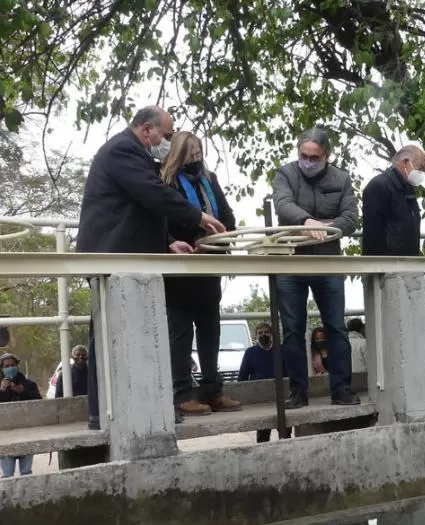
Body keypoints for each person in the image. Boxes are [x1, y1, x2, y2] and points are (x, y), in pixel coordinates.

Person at [77, 106, 226, 429]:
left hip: (130, 258)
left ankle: (143, 408)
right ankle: (101, 415)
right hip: (111, 258)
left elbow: (141, 210)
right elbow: (152, 194)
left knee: (141, 336)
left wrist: (166, 243)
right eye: (167, 134)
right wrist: (198, 216)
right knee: (106, 338)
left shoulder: (134, 153)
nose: (168, 141)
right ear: (147, 130)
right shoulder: (121, 150)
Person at [272, 127, 359, 409]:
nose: (308, 162)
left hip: (327, 261)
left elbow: (351, 217)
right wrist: (307, 222)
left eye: (314, 157)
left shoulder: (342, 179)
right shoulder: (285, 173)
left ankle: (342, 388)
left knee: (336, 327)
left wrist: (328, 229)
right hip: (291, 261)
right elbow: (282, 203)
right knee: (293, 330)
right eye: (303, 156)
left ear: (327, 156)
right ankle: (298, 392)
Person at [161, 131, 241, 416]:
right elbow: (163, 221)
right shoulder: (166, 181)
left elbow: (227, 218)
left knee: (210, 330)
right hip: (181, 267)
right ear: (178, 155)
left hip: (210, 264)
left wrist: (221, 238)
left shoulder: (211, 179)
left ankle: (212, 390)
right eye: (190, 154)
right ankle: (182, 393)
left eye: (199, 153)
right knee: (180, 333)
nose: (196, 159)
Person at [361, 145, 425, 256]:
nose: (422, 173)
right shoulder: (379, 186)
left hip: (409, 262)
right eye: (420, 167)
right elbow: (372, 233)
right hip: (387, 265)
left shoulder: (408, 189)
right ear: (405, 162)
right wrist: (377, 269)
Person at [0, 353, 42, 477]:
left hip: (26, 432)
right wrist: (2, 391)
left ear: (17, 366)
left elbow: (39, 402)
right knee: (7, 474)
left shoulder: (29, 384)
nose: (10, 368)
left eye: (13, 365)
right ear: (1, 369)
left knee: (26, 473)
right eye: (6, 366)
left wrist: (22, 392)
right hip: (5, 435)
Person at [238, 322, 292, 443]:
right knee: (262, 434)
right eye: (260, 333)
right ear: (256, 335)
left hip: (281, 396)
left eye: (266, 332)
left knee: (285, 433)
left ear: (272, 334)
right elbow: (242, 376)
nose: (263, 335)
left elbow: (288, 372)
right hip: (260, 399)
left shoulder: (281, 350)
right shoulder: (250, 353)